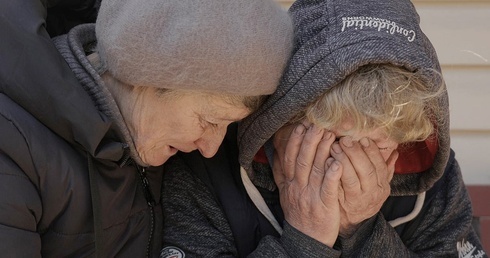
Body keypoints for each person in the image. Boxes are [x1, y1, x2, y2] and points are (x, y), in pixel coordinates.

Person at [160, 0, 487, 257]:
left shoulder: (431, 182)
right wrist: (304, 240)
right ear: (281, 116)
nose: (348, 166)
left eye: (377, 144)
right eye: (335, 140)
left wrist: (362, 231)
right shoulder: (207, 163)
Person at [0, 0, 294, 256]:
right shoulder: (12, 149)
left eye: (228, 126)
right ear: (145, 75)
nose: (210, 148)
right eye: (209, 121)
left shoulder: (147, 137)